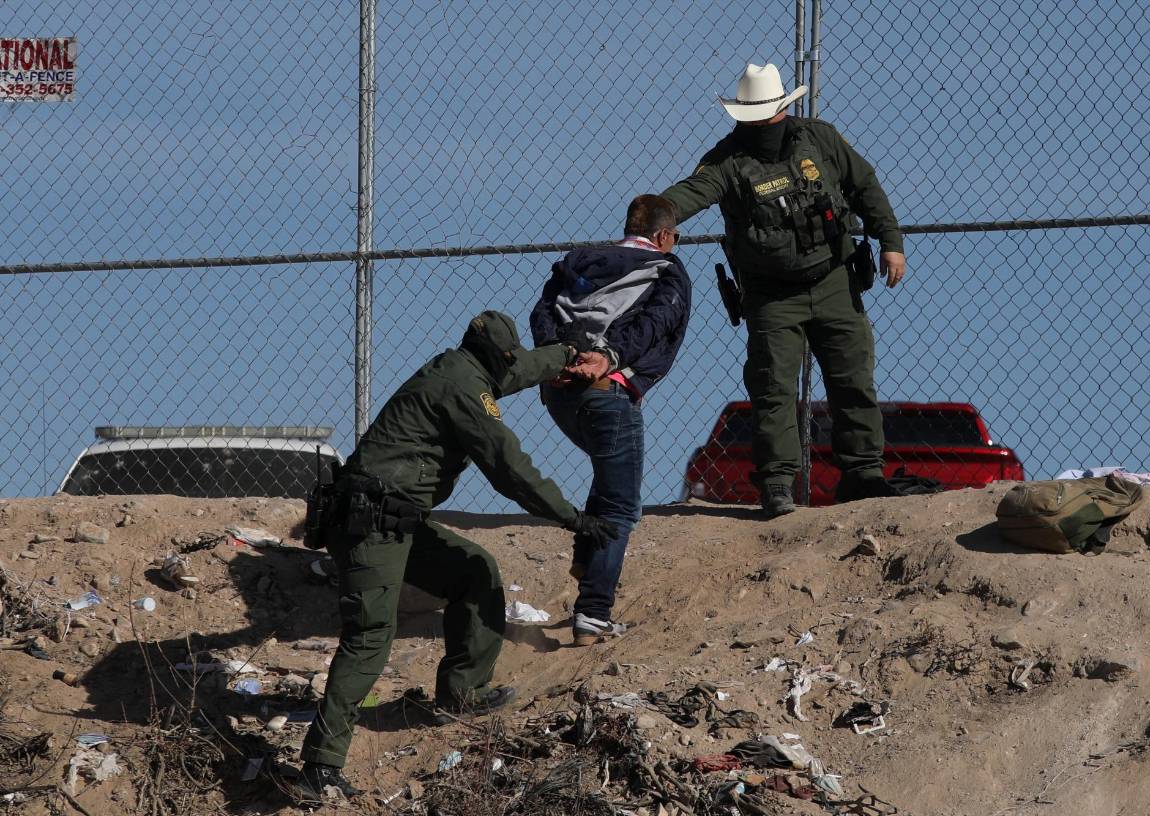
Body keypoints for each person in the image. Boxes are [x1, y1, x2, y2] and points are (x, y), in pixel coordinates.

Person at [293, 311, 616, 803]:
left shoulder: (462, 366)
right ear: (491, 355)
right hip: (371, 523)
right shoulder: (464, 389)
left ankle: (461, 692)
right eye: (505, 359)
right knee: (370, 637)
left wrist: (567, 356)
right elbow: (509, 468)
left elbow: (518, 370)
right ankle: (319, 765)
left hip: (396, 520)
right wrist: (571, 517)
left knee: (474, 572)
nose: (510, 368)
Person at [660, 63, 907, 517]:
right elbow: (691, 192)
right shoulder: (726, 161)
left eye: (764, 115)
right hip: (771, 295)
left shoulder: (821, 139)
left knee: (852, 377)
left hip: (834, 278)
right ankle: (777, 486)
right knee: (773, 387)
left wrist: (891, 242)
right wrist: (657, 217)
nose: (759, 124)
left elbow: (865, 185)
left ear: (780, 111)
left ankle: (863, 476)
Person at [530, 194, 692, 645]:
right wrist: (607, 357)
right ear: (663, 236)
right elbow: (656, 322)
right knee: (622, 505)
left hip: (561, 394)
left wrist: (559, 355)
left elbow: (542, 312)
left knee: (610, 470)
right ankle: (593, 614)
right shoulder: (665, 268)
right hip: (607, 392)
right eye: (674, 237)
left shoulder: (579, 261)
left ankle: (586, 551)